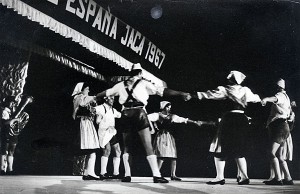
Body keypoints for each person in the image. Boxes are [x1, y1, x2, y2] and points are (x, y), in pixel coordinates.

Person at [96, 63, 191, 183]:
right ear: (140, 73)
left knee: (127, 146)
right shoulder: (143, 83)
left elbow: (106, 93)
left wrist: (94, 97)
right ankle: (156, 175)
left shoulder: (121, 84)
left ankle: (127, 175)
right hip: (139, 113)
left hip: (125, 113)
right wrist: (181, 93)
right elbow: (162, 91)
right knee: (147, 145)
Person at [192, 70, 261, 185]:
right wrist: (262, 100)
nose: (227, 79)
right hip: (242, 119)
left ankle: (220, 177)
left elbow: (210, 94)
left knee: (220, 146)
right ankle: (244, 176)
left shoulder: (224, 89)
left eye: (229, 78)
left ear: (231, 79)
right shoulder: (245, 90)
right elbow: (256, 98)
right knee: (239, 148)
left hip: (230, 119)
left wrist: (195, 95)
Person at [148, 101, 211, 181]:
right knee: (161, 156)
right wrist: (152, 127)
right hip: (161, 136)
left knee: (173, 156)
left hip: (169, 136)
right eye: (167, 107)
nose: (169, 109)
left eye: (170, 107)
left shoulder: (172, 116)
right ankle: (156, 175)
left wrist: (194, 122)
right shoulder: (157, 115)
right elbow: (146, 118)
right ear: (163, 107)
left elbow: (182, 119)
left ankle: (173, 175)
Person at [261, 79, 294, 185]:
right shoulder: (287, 97)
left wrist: (265, 99)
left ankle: (278, 179)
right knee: (280, 156)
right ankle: (288, 178)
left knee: (271, 153)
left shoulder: (280, 95)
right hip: (284, 127)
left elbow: (275, 99)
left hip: (279, 127)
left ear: (277, 87)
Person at [72, 82, 100, 180]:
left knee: (91, 149)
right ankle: (89, 172)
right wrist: (93, 98)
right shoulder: (78, 98)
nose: (88, 91)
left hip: (87, 123)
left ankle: (88, 172)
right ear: (81, 90)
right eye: (86, 89)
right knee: (90, 148)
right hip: (83, 124)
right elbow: (83, 103)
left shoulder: (83, 98)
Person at [94, 96, 122, 180]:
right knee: (107, 150)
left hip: (112, 132)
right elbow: (93, 110)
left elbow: (120, 115)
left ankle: (116, 173)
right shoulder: (101, 108)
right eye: (111, 98)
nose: (113, 100)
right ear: (106, 99)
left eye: (113, 99)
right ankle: (103, 173)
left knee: (118, 150)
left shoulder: (113, 110)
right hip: (104, 132)